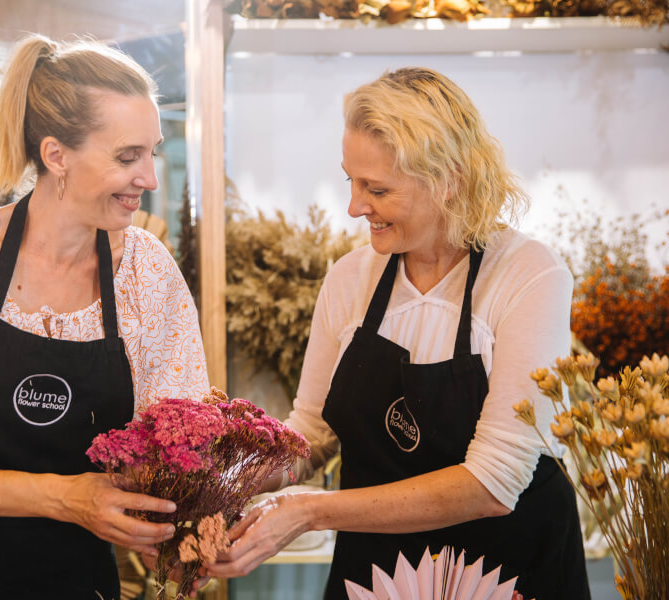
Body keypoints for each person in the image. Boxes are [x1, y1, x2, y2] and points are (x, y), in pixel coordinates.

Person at [206, 68, 591, 599]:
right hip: (379, 572)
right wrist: (211, 486)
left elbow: (494, 483)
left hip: (507, 570)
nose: (355, 206)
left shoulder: (528, 276)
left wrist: (309, 511)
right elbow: (310, 433)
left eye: (377, 188)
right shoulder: (350, 278)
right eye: (351, 181)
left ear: (448, 179)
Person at [0, 35, 209, 599]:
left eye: (153, 151)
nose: (149, 178)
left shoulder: (147, 274)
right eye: (128, 157)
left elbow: (175, 445)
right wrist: (68, 498)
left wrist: (181, 521)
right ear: (56, 156)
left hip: (68, 577)